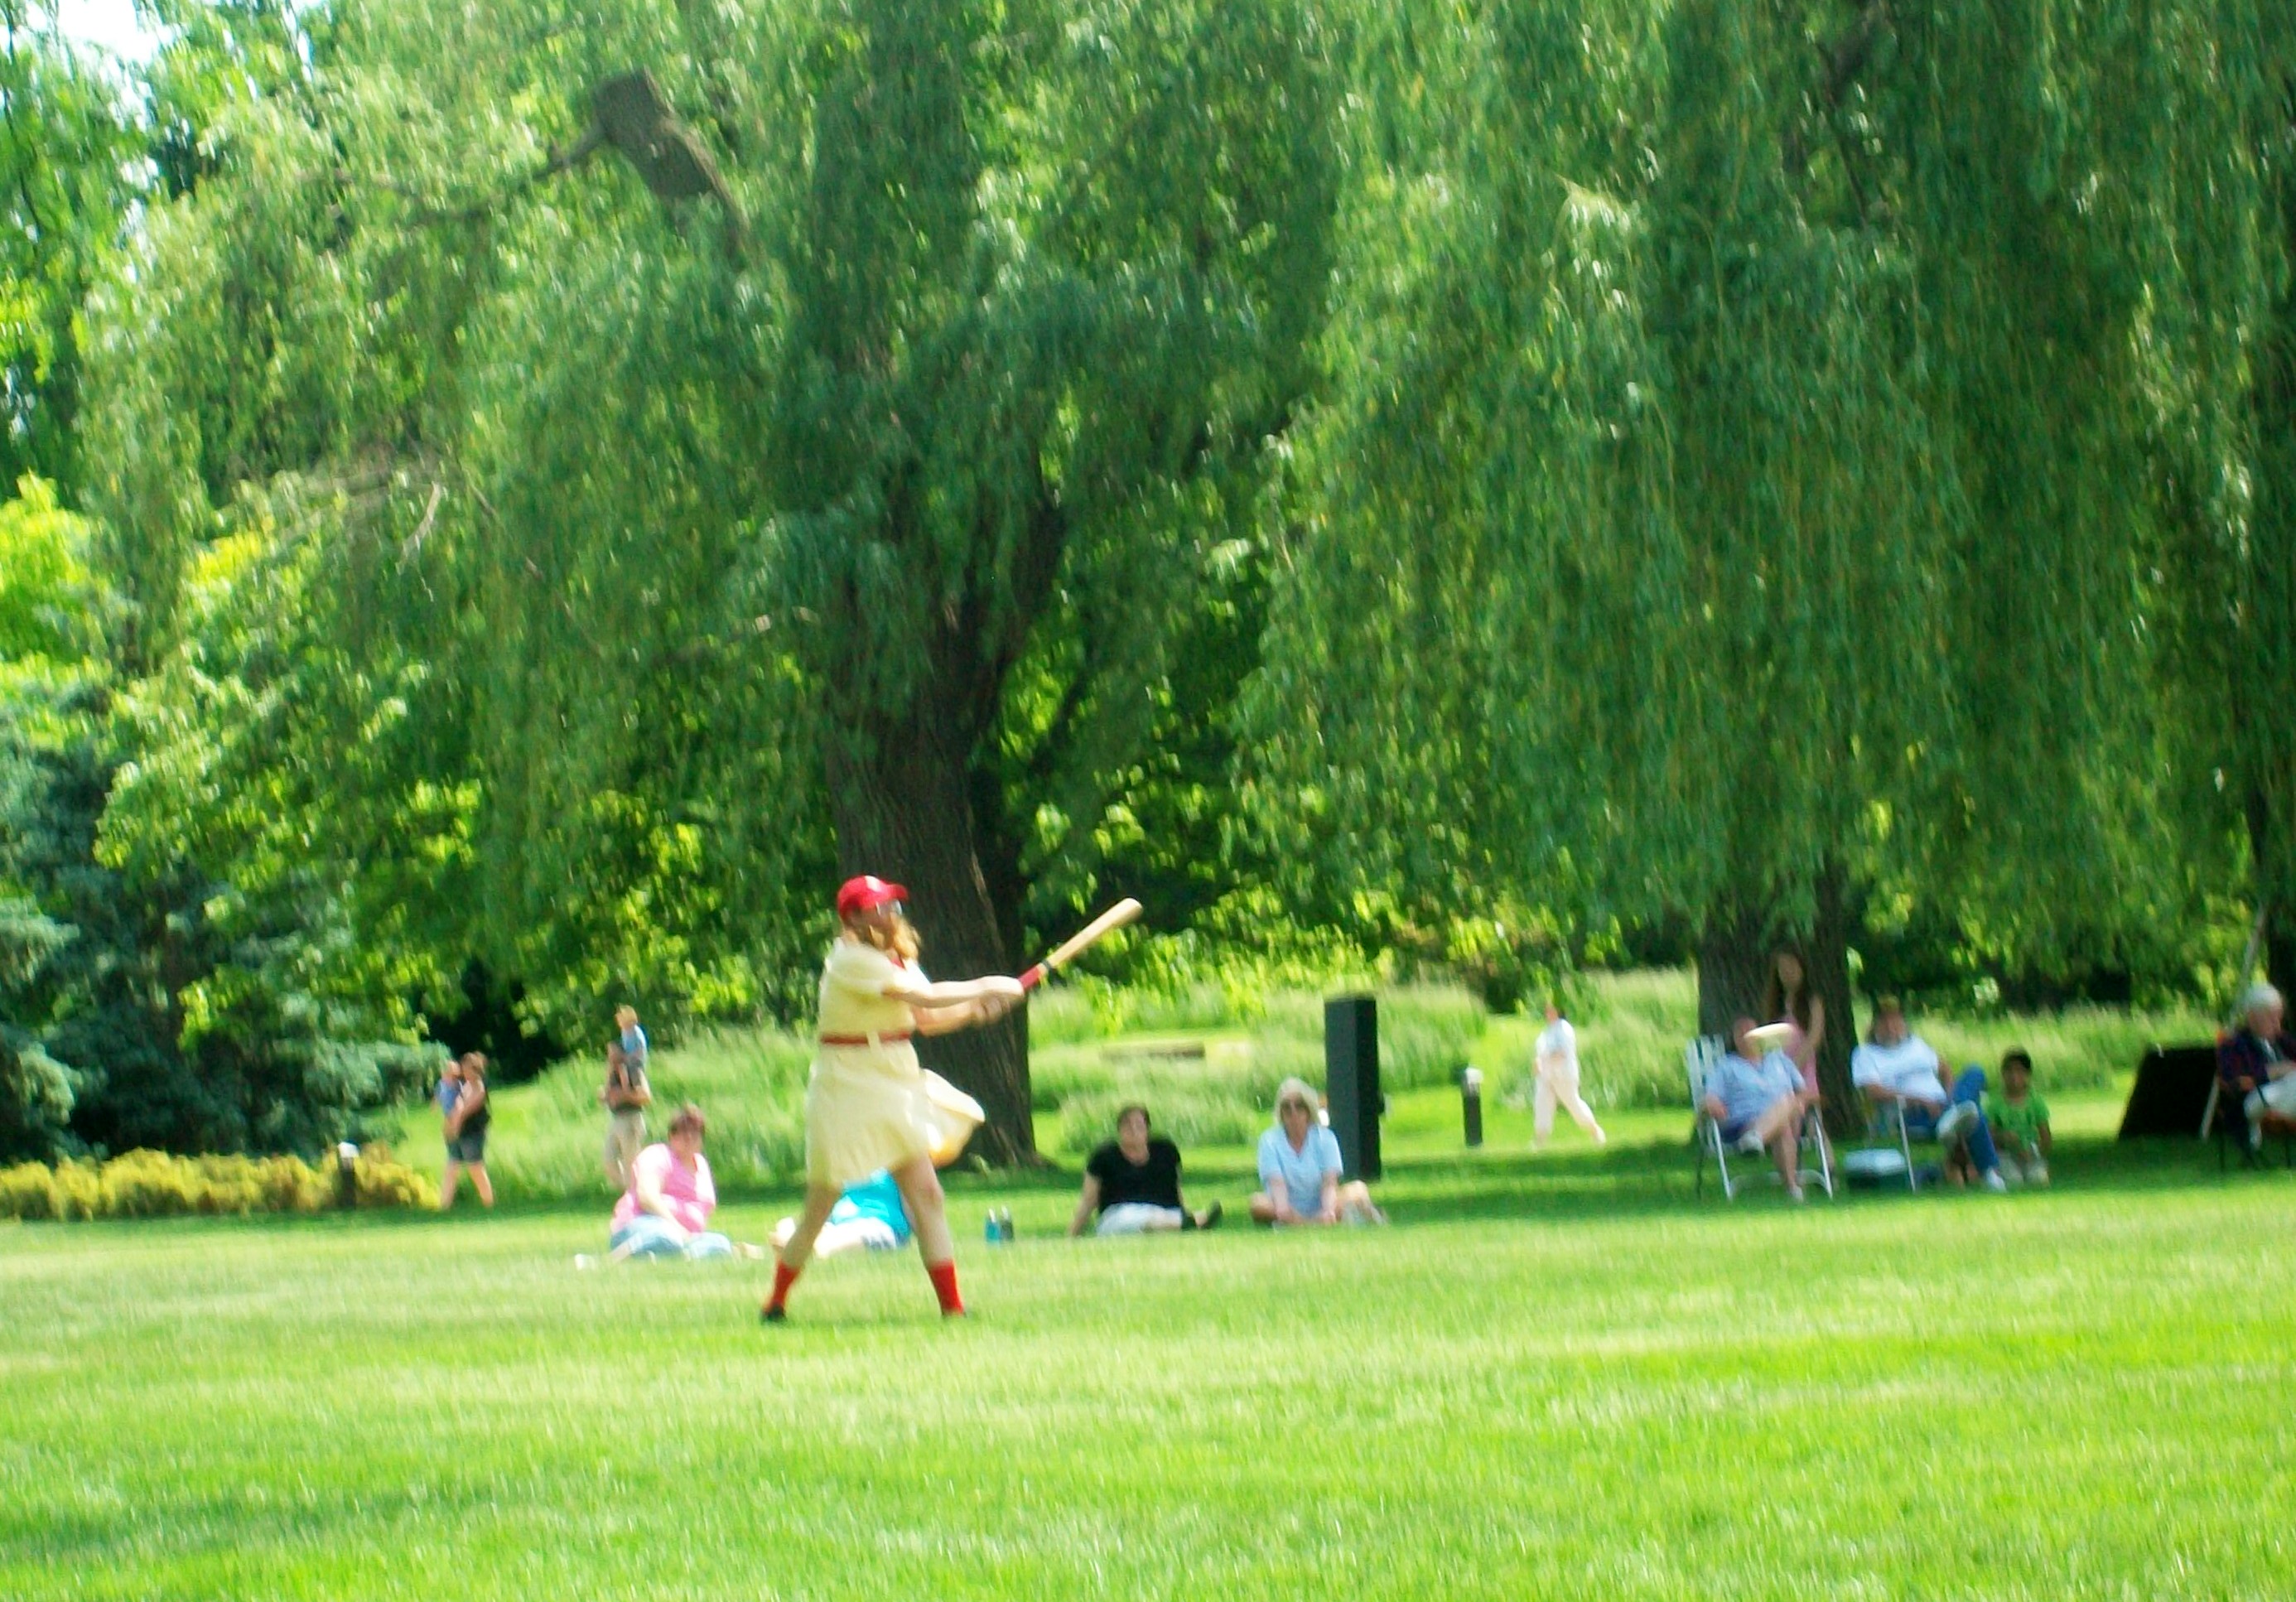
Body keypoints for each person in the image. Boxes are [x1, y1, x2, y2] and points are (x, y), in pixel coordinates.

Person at [761, 876, 1024, 1323]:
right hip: (845, 1087)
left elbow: (927, 1019)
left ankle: (953, 1309)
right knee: (820, 1206)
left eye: (891, 905)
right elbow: (924, 996)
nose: (890, 914)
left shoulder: (898, 955)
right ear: (854, 918)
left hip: (893, 1082)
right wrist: (987, 985)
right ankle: (777, 1301)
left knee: (927, 1193)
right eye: (878, 907)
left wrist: (975, 1011)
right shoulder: (850, 960)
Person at [1850, 996, 2007, 1193]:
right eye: (1885, 1022)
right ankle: (1989, 1173)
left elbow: (1944, 1068)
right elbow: (1873, 1091)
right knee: (1973, 1113)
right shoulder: (1865, 1054)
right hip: (1912, 1112)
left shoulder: (1916, 1044)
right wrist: (1919, 1100)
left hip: (1943, 1103)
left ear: (1904, 1023)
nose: (1891, 1027)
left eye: (1896, 1021)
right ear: (1874, 1026)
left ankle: (1953, 1113)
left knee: (1975, 1072)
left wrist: (1950, 1096)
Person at [605, 1103, 755, 1261]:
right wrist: (677, 1228)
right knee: (667, 1238)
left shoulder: (701, 1165)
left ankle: (674, 1254)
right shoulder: (658, 1155)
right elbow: (647, 1198)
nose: (689, 1137)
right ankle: (623, 1254)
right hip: (641, 1224)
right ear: (671, 1136)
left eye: (695, 1132)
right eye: (683, 1132)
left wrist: (687, 1234)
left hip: (687, 1236)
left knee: (721, 1242)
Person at [1702, 1018, 1815, 1202]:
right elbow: (1710, 1098)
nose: (1745, 1037)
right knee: (1785, 1117)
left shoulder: (1779, 1060)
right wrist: (1713, 1105)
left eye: (1750, 1031)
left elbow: (1804, 1092)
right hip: (1743, 1123)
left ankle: (1755, 1138)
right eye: (1740, 1033)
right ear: (1734, 1039)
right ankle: (1792, 1188)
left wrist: (1800, 1102)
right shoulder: (1726, 1066)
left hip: (1785, 1117)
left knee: (1788, 1106)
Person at [1068, 1106, 1223, 1236]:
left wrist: (1183, 1211)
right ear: (1119, 1129)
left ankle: (1188, 1222)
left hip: (1163, 1211)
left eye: (1139, 1125)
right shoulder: (1104, 1157)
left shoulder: (1165, 1151)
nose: (1133, 1130)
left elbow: (1176, 1188)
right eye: (1127, 1125)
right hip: (1118, 1215)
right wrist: (1073, 1235)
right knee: (1139, 1218)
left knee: (1162, 1216)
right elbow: (1088, 1200)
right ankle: (1193, 1222)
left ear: (1147, 1129)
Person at [1249, 1078, 1384, 1226]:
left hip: (1323, 1203)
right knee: (1257, 1203)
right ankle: (1307, 1223)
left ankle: (1309, 1223)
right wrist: (1283, 1210)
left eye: (1299, 1106)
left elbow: (1329, 1182)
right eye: (1286, 1107)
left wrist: (1328, 1210)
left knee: (1359, 1189)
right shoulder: (1269, 1140)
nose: (1293, 1112)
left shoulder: (1325, 1138)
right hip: (1286, 1206)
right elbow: (1276, 1183)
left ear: (1308, 1111)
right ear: (1280, 1112)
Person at [2218, 982, 2296, 1151]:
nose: (2277, 1023)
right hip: (2255, 1099)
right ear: (2252, 1017)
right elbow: (2233, 1082)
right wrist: (2274, 1071)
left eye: (2279, 1017)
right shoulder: (2233, 1045)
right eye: (2271, 1017)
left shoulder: (2283, 1041)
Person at [773, 1169, 915, 1259]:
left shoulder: (897, 1159)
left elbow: (913, 1204)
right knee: (785, 1224)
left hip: (880, 1226)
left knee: (829, 1242)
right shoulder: (849, 1160)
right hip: (838, 1222)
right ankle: (798, 1246)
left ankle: (799, 1247)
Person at [1530, 1001, 1606, 1151]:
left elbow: (1562, 1052)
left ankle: (1595, 1130)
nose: (1547, 1011)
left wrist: (1545, 1060)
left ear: (1558, 1010)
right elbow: (1541, 1051)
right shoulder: (1547, 1032)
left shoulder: (1564, 1029)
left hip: (1563, 1075)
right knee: (1542, 1105)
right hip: (1546, 1076)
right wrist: (1538, 1062)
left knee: (1573, 1104)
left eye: (1551, 1008)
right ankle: (1539, 1142)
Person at [600, 1008, 653, 1190]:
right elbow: (610, 1095)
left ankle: (637, 1194)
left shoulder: (633, 1070)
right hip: (616, 1119)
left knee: (631, 1166)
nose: (610, 1056)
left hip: (631, 1119)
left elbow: (646, 1096)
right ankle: (633, 1191)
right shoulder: (612, 1073)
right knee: (609, 1161)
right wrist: (605, 1096)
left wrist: (625, 1095)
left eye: (612, 1052)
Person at [1763, 948, 1826, 1094]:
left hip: (1802, 1068)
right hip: (1778, 1074)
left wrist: (1794, 1067)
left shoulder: (1812, 1001)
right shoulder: (1775, 1005)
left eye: (1792, 965)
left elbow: (1814, 1037)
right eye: (1783, 967)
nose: (1788, 971)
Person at [1985, 1049, 2051, 1186]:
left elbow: (2046, 1138)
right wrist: (2003, 1137)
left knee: (2038, 1179)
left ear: (2027, 1075)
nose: (2014, 1076)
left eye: (2019, 1071)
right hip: (2005, 1155)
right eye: (2009, 1071)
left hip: (2031, 1154)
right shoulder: (1995, 1103)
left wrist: (2033, 1152)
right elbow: (1988, 1135)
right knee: (2014, 1180)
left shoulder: (2036, 1101)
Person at [438, 1052, 494, 1209]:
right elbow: (456, 1107)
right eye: (464, 1069)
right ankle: (444, 1207)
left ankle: (489, 1204)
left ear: (477, 1070)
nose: (465, 1072)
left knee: (475, 1168)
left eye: (468, 1069)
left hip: (473, 1133)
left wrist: (454, 1127)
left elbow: (464, 1112)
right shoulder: (464, 1086)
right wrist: (448, 1126)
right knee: (452, 1168)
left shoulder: (480, 1089)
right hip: (458, 1132)